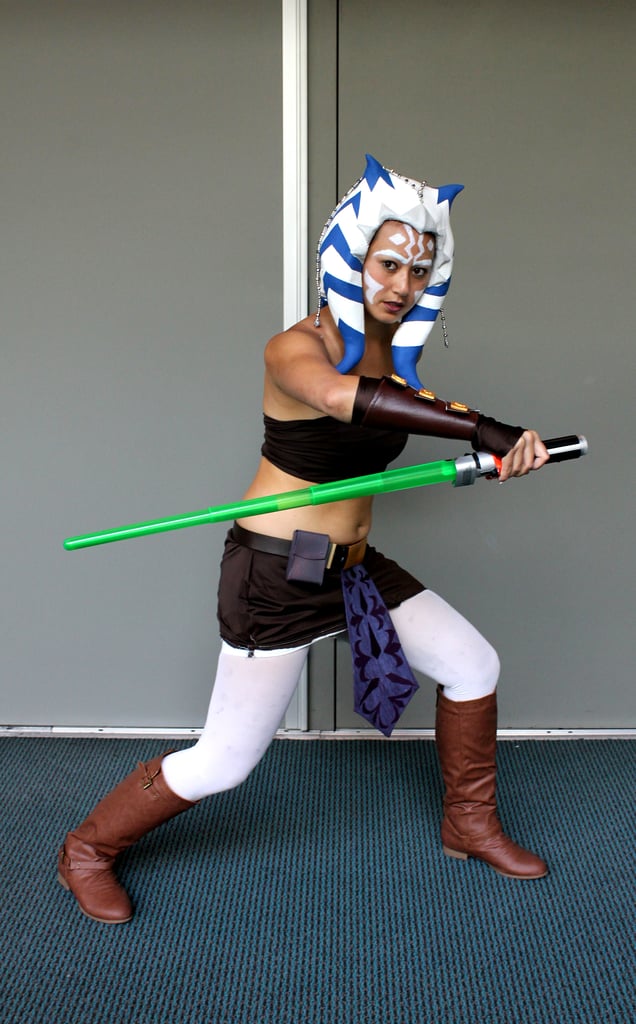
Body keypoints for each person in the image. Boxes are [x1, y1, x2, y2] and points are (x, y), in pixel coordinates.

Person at [58, 154, 550, 925]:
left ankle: (469, 825)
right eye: (388, 264)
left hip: (353, 567)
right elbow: (345, 400)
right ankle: (87, 849)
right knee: (224, 760)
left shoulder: (396, 355)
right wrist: (483, 428)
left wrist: (482, 460)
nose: (403, 284)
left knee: (471, 665)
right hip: (277, 575)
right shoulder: (294, 350)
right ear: (350, 259)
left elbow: (390, 419)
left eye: (419, 271)